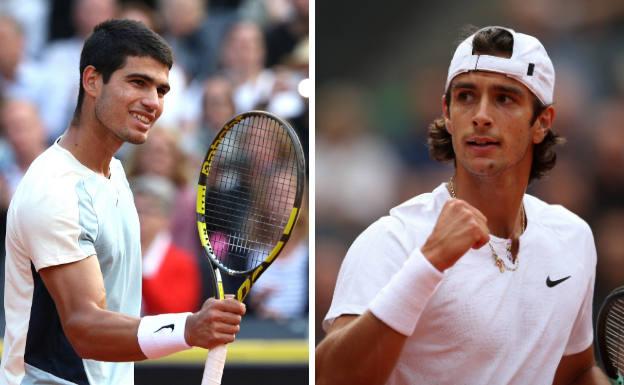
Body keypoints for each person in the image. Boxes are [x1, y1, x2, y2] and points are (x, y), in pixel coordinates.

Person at [316, 26, 609, 385]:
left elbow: (575, 373)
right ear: (448, 114)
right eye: (467, 97)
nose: (481, 115)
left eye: (505, 99)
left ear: (542, 123)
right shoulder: (392, 241)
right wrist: (427, 264)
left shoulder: (572, 238)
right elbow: (330, 377)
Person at [0, 19, 245, 385]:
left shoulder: (114, 172)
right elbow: (84, 327)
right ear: (92, 80)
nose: (153, 102)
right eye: (138, 82)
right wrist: (188, 328)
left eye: (162, 90)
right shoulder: (53, 189)